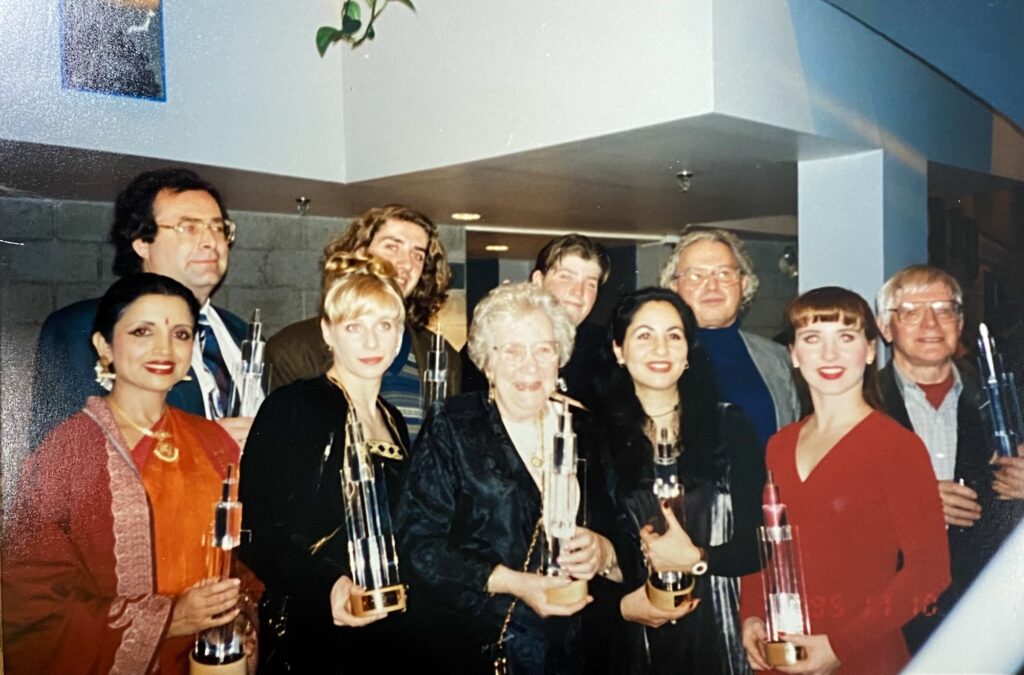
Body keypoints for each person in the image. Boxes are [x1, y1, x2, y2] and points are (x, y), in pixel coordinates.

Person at [3, 273, 253, 674]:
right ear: (104, 346)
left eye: (182, 334)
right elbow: (31, 603)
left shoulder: (214, 443)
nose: (164, 348)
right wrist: (169, 619)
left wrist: (236, 614)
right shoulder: (66, 453)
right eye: (142, 331)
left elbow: (246, 562)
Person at [396, 282, 625, 674]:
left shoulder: (584, 428)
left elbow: (626, 532)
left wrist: (607, 553)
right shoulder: (454, 424)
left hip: (577, 650)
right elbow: (417, 544)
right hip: (484, 647)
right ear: (488, 361)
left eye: (543, 350)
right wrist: (513, 583)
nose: (529, 366)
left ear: (560, 358)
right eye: (512, 350)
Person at [741, 286, 950, 675]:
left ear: (870, 351)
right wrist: (751, 617)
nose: (829, 354)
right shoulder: (778, 445)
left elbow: (931, 572)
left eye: (846, 337)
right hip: (782, 655)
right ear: (793, 355)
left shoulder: (896, 446)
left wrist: (840, 646)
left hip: (864, 656)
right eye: (812, 339)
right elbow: (764, 548)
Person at [240, 254, 413, 673]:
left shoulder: (393, 419)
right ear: (328, 333)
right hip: (315, 623)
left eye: (384, 326)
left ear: (398, 336)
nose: (372, 343)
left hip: (385, 624)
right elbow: (255, 528)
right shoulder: (295, 405)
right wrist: (328, 586)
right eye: (354, 327)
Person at [593, 287, 764, 675]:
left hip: (719, 636)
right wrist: (620, 607)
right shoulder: (592, 435)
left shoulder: (729, 425)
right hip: (631, 638)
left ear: (688, 350)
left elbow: (761, 544)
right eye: (644, 336)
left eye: (674, 335)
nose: (661, 348)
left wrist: (699, 559)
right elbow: (584, 554)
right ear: (619, 351)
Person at [31, 168, 257, 449]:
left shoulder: (240, 332)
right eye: (189, 227)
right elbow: (68, 453)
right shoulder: (81, 327)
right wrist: (201, 444)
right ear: (141, 242)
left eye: (218, 227)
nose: (211, 241)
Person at [874, 264, 1024, 651]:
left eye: (944, 309)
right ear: (885, 326)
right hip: (888, 612)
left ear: (960, 322)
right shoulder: (857, 404)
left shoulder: (1007, 399)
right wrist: (906, 507)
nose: (931, 323)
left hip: (984, 610)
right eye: (911, 311)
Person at [265, 204, 461, 439]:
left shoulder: (443, 356)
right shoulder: (292, 349)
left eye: (417, 255)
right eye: (392, 247)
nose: (406, 264)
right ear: (359, 251)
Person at [661, 227, 799, 446]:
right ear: (674, 287)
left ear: (744, 284)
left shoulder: (777, 358)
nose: (712, 286)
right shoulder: (655, 358)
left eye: (724, 273)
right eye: (696, 276)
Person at [462, 234, 611, 402]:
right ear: (538, 281)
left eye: (591, 284)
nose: (578, 291)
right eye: (566, 277)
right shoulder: (495, 338)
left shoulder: (606, 348)